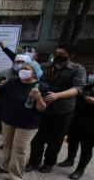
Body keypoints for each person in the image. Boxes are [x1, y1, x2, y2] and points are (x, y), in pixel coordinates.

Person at [0, 61, 49, 180]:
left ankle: (16, 176)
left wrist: (39, 98)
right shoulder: (12, 82)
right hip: (9, 119)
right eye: (22, 68)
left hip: (28, 123)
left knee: (20, 149)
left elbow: (42, 109)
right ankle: (6, 166)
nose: (22, 70)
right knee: (7, 144)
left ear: (34, 73)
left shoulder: (41, 87)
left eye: (26, 69)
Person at [25, 44, 86, 173]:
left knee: (56, 139)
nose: (58, 55)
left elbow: (79, 88)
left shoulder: (77, 69)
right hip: (41, 107)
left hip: (63, 110)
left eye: (62, 54)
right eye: (57, 52)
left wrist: (57, 95)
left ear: (71, 55)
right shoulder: (45, 66)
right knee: (37, 137)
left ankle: (49, 163)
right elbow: (34, 79)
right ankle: (33, 161)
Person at [0, 54, 31, 152]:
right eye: (17, 62)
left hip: (17, 105)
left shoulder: (30, 75)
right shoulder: (4, 72)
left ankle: (6, 143)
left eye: (22, 62)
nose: (19, 64)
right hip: (1, 103)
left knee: (13, 125)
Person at [57, 84, 94, 180]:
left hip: (92, 125)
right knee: (72, 141)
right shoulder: (87, 87)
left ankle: (80, 169)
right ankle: (70, 159)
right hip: (78, 120)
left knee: (86, 147)